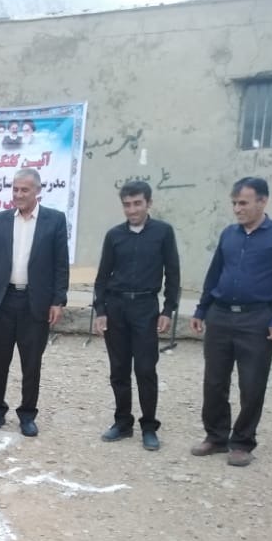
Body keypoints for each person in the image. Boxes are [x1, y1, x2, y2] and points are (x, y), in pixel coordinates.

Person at [190, 177, 272, 467]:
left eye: (243, 203)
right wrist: (201, 310)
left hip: (257, 319)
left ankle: (243, 442)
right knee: (214, 381)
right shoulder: (228, 235)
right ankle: (216, 437)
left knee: (252, 384)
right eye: (234, 203)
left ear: (262, 201)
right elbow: (214, 273)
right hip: (220, 316)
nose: (237, 209)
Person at [0, 168, 69, 437]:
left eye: (24, 190)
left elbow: (60, 265)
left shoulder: (54, 221)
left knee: (31, 364)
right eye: (15, 189)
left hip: (35, 303)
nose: (18, 194)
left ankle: (27, 415)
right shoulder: (2, 219)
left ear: (38, 191)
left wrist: (58, 301)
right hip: (3, 301)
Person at [93, 180, 181, 451]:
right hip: (116, 307)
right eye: (127, 205)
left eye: (137, 204)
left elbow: (173, 274)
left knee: (145, 369)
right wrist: (100, 311)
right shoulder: (114, 236)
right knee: (118, 369)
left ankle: (149, 426)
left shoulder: (163, 233)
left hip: (145, 309)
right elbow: (101, 277)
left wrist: (168, 310)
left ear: (148, 203)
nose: (132, 210)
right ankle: (122, 422)